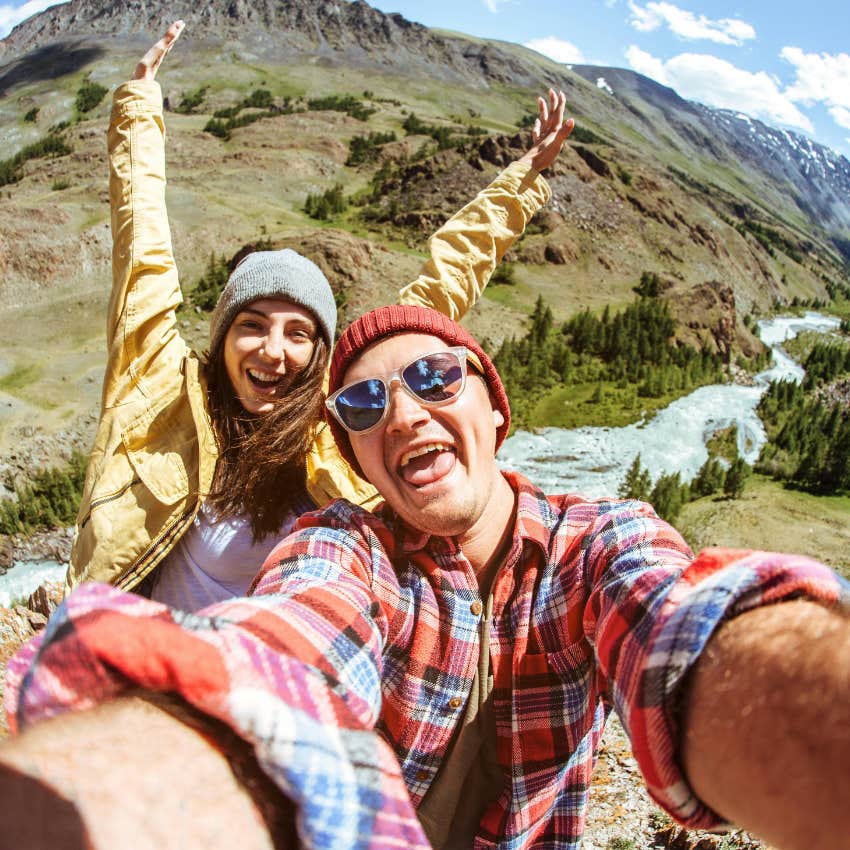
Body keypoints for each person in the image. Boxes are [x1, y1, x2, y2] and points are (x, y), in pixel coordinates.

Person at [2, 305, 849, 850]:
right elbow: (285, 648)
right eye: (364, 407)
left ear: (495, 408)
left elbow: (675, 623)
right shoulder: (346, 546)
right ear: (361, 452)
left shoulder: (595, 539)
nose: (403, 413)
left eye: (435, 378)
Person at [64, 21, 574, 611]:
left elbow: (440, 287)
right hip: (144, 675)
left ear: (321, 353)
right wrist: (138, 110)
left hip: (288, 686)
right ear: (223, 334)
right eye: (252, 324)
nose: (274, 350)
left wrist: (523, 180)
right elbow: (142, 253)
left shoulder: (344, 430)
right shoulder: (164, 392)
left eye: (299, 332)